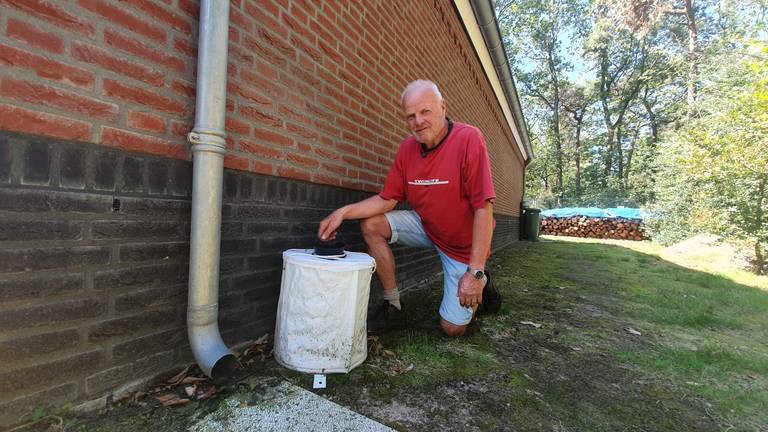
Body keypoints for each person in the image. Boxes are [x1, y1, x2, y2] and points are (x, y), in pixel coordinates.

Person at [317, 79, 500, 337]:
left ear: (443, 107)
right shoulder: (407, 149)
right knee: (372, 224)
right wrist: (342, 212)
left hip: (463, 245)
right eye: (410, 116)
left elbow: (483, 208)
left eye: (425, 112)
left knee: (452, 329)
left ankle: (483, 280)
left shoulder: (469, 138)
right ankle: (393, 307)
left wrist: (475, 271)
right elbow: (387, 199)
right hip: (428, 227)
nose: (418, 121)